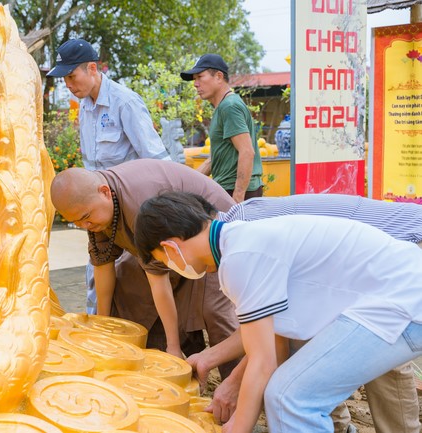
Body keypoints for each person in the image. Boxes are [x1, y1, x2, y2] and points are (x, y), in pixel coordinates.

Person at [134, 191, 422, 433]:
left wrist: (237, 427)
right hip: (396, 294)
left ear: (170, 247)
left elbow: (263, 361)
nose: (171, 268)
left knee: (290, 399)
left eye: (163, 261)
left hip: (400, 299)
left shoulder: (241, 256)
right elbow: (277, 342)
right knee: (287, 392)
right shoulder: (239, 241)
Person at [50, 159, 239, 372]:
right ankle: (151, 366)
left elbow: (158, 283)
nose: (86, 226)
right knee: (127, 283)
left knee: (213, 308)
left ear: (104, 192)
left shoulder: (141, 206)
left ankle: (236, 386)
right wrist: (102, 329)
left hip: (211, 238)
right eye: (77, 223)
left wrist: (173, 346)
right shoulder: (97, 211)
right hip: (170, 244)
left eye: (86, 218)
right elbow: (103, 268)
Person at [48, 38, 171, 313]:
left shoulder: (124, 102)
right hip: (98, 210)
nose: (68, 84)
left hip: (132, 210)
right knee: (97, 274)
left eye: (71, 76)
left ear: (92, 68)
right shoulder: (85, 105)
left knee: (137, 280)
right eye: (64, 79)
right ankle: (100, 334)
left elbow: (157, 159)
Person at [180, 54, 263, 203]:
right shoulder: (222, 107)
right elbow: (214, 159)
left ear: (218, 76)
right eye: (194, 79)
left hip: (237, 192)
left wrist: (237, 200)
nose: (195, 84)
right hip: (226, 189)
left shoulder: (229, 106)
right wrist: (187, 183)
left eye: (200, 77)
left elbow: (247, 152)